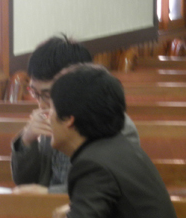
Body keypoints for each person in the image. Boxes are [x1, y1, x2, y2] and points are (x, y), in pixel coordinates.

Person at [19, 64, 182, 218]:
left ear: (69, 120)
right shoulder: (116, 147)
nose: (48, 117)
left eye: (52, 109)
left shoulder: (94, 165)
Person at [11, 35, 140, 194]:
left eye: (47, 94)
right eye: (35, 93)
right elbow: (24, 182)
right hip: (46, 206)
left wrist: (48, 194)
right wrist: (27, 141)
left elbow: (102, 189)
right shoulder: (52, 116)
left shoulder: (116, 125)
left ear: (77, 83)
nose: (41, 105)